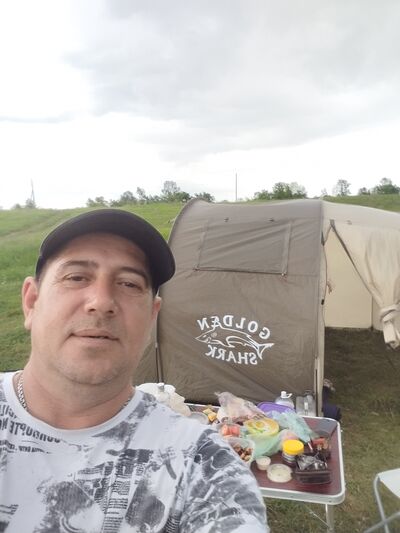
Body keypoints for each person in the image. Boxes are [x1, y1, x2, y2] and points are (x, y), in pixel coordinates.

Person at [0, 208, 268, 532]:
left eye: (129, 283)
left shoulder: (203, 465)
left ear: (152, 316)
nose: (101, 301)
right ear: (31, 302)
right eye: (76, 277)